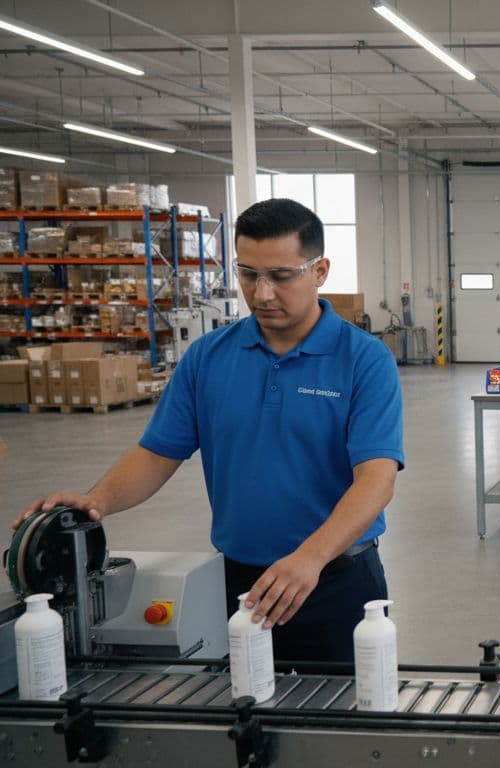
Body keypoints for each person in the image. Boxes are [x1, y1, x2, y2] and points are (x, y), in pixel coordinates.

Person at [15, 198, 405, 661]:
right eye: (248, 274)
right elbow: (157, 454)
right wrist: (95, 502)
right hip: (238, 585)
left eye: (281, 276)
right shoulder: (208, 357)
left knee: (343, 706)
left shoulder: (364, 361)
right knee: (240, 705)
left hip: (335, 580)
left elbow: (376, 480)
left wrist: (311, 557)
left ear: (319, 271)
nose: (262, 294)